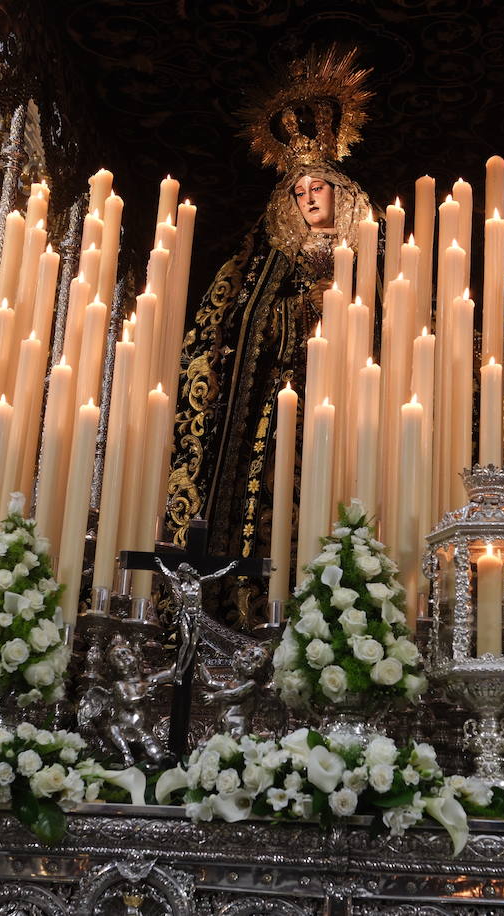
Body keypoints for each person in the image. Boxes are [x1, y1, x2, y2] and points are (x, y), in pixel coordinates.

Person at [167, 48, 375, 626]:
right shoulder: (265, 259)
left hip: (359, 404)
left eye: (318, 187)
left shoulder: (374, 253)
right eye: (298, 190)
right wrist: (298, 312)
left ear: (339, 188)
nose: (308, 197)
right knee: (273, 499)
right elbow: (233, 323)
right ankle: (254, 613)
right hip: (282, 408)